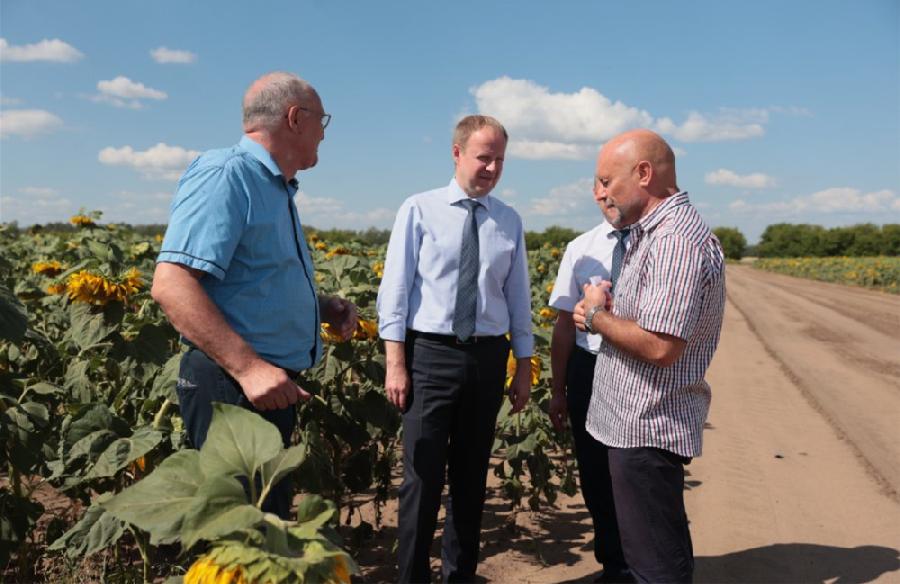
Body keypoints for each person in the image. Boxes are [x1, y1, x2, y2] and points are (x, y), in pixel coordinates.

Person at [151, 71, 358, 519]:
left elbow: (249, 282)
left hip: (261, 386)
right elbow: (172, 284)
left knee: (262, 528)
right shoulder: (228, 174)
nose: (324, 133)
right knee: (241, 536)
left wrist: (319, 306)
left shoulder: (274, 187)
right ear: (295, 118)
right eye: (323, 121)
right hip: (234, 385)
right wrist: (249, 368)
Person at [376, 115, 534, 583]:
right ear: (457, 153)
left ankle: (459, 576)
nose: (492, 168)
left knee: (470, 479)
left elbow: (518, 299)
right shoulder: (419, 209)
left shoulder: (509, 220)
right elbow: (396, 291)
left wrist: (523, 366)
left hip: (487, 358)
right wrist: (396, 363)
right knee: (421, 478)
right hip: (430, 355)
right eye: (484, 157)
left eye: (500, 160)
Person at [573, 129, 725, 583]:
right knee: (645, 556)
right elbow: (655, 324)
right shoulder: (653, 234)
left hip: (647, 425)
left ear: (643, 174)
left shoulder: (674, 240)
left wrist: (597, 316)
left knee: (656, 566)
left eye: (605, 181)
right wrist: (614, 312)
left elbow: (660, 346)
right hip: (633, 425)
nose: (599, 193)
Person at [547, 208, 632, 581]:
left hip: (636, 368)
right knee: (595, 474)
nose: (607, 195)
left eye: (613, 183)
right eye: (600, 186)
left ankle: (649, 565)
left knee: (640, 471)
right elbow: (565, 325)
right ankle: (614, 565)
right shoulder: (580, 248)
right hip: (590, 366)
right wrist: (557, 389)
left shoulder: (656, 246)